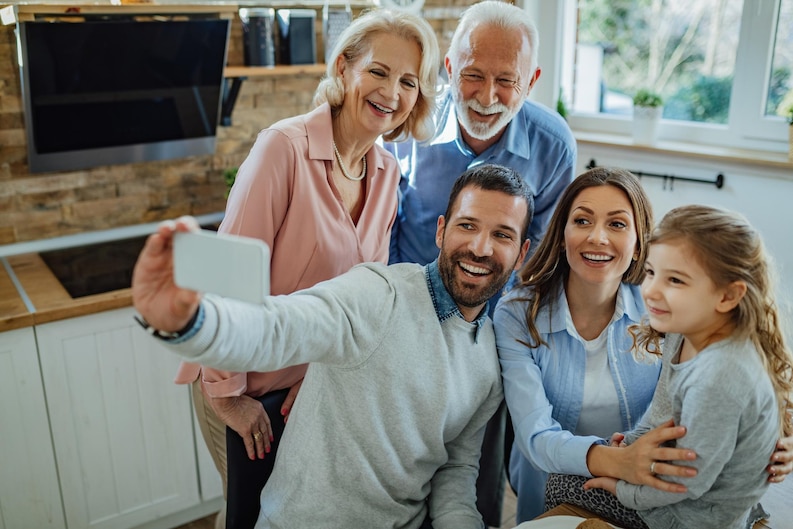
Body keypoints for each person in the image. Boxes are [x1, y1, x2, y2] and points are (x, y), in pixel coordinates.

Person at [132, 164, 533, 529]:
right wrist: (193, 322)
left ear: (521, 254)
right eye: (468, 226)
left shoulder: (487, 364)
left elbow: (456, 469)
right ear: (441, 230)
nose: (481, 248)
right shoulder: (379, 294)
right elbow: (277, 327)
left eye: (502, 235)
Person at [172, 9, 440, 529]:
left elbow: (365, 298)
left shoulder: (386, 171)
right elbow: (225, 274)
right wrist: (229, 400)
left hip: (306, 392)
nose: (392, 91)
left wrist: (322, 376)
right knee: (250, 518)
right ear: (344, 69)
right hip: (237, 380)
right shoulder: (284, 148)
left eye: (409, 81)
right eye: (379, 72)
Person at [494, 168, 793, 523]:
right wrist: (619, 461)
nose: (598, 237)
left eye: (617, 224)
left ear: (640, 246)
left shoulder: (669, 311)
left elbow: (746, 397)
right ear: (561, 234)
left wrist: (777, 440)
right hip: (558, 477)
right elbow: (535, 435)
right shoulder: (517, 314)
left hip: (658, 482)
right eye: (582, 220)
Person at [384, 2, 577, 524]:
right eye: (472, 76)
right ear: (449, 68)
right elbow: (383, 234)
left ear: (531, 80)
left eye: (506, 81)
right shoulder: (406, 126)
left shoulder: (553, 144)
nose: (487, 98)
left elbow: (545, 258)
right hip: (408, 325)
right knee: (401, 474)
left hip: (493, 338)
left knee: (473, 480)